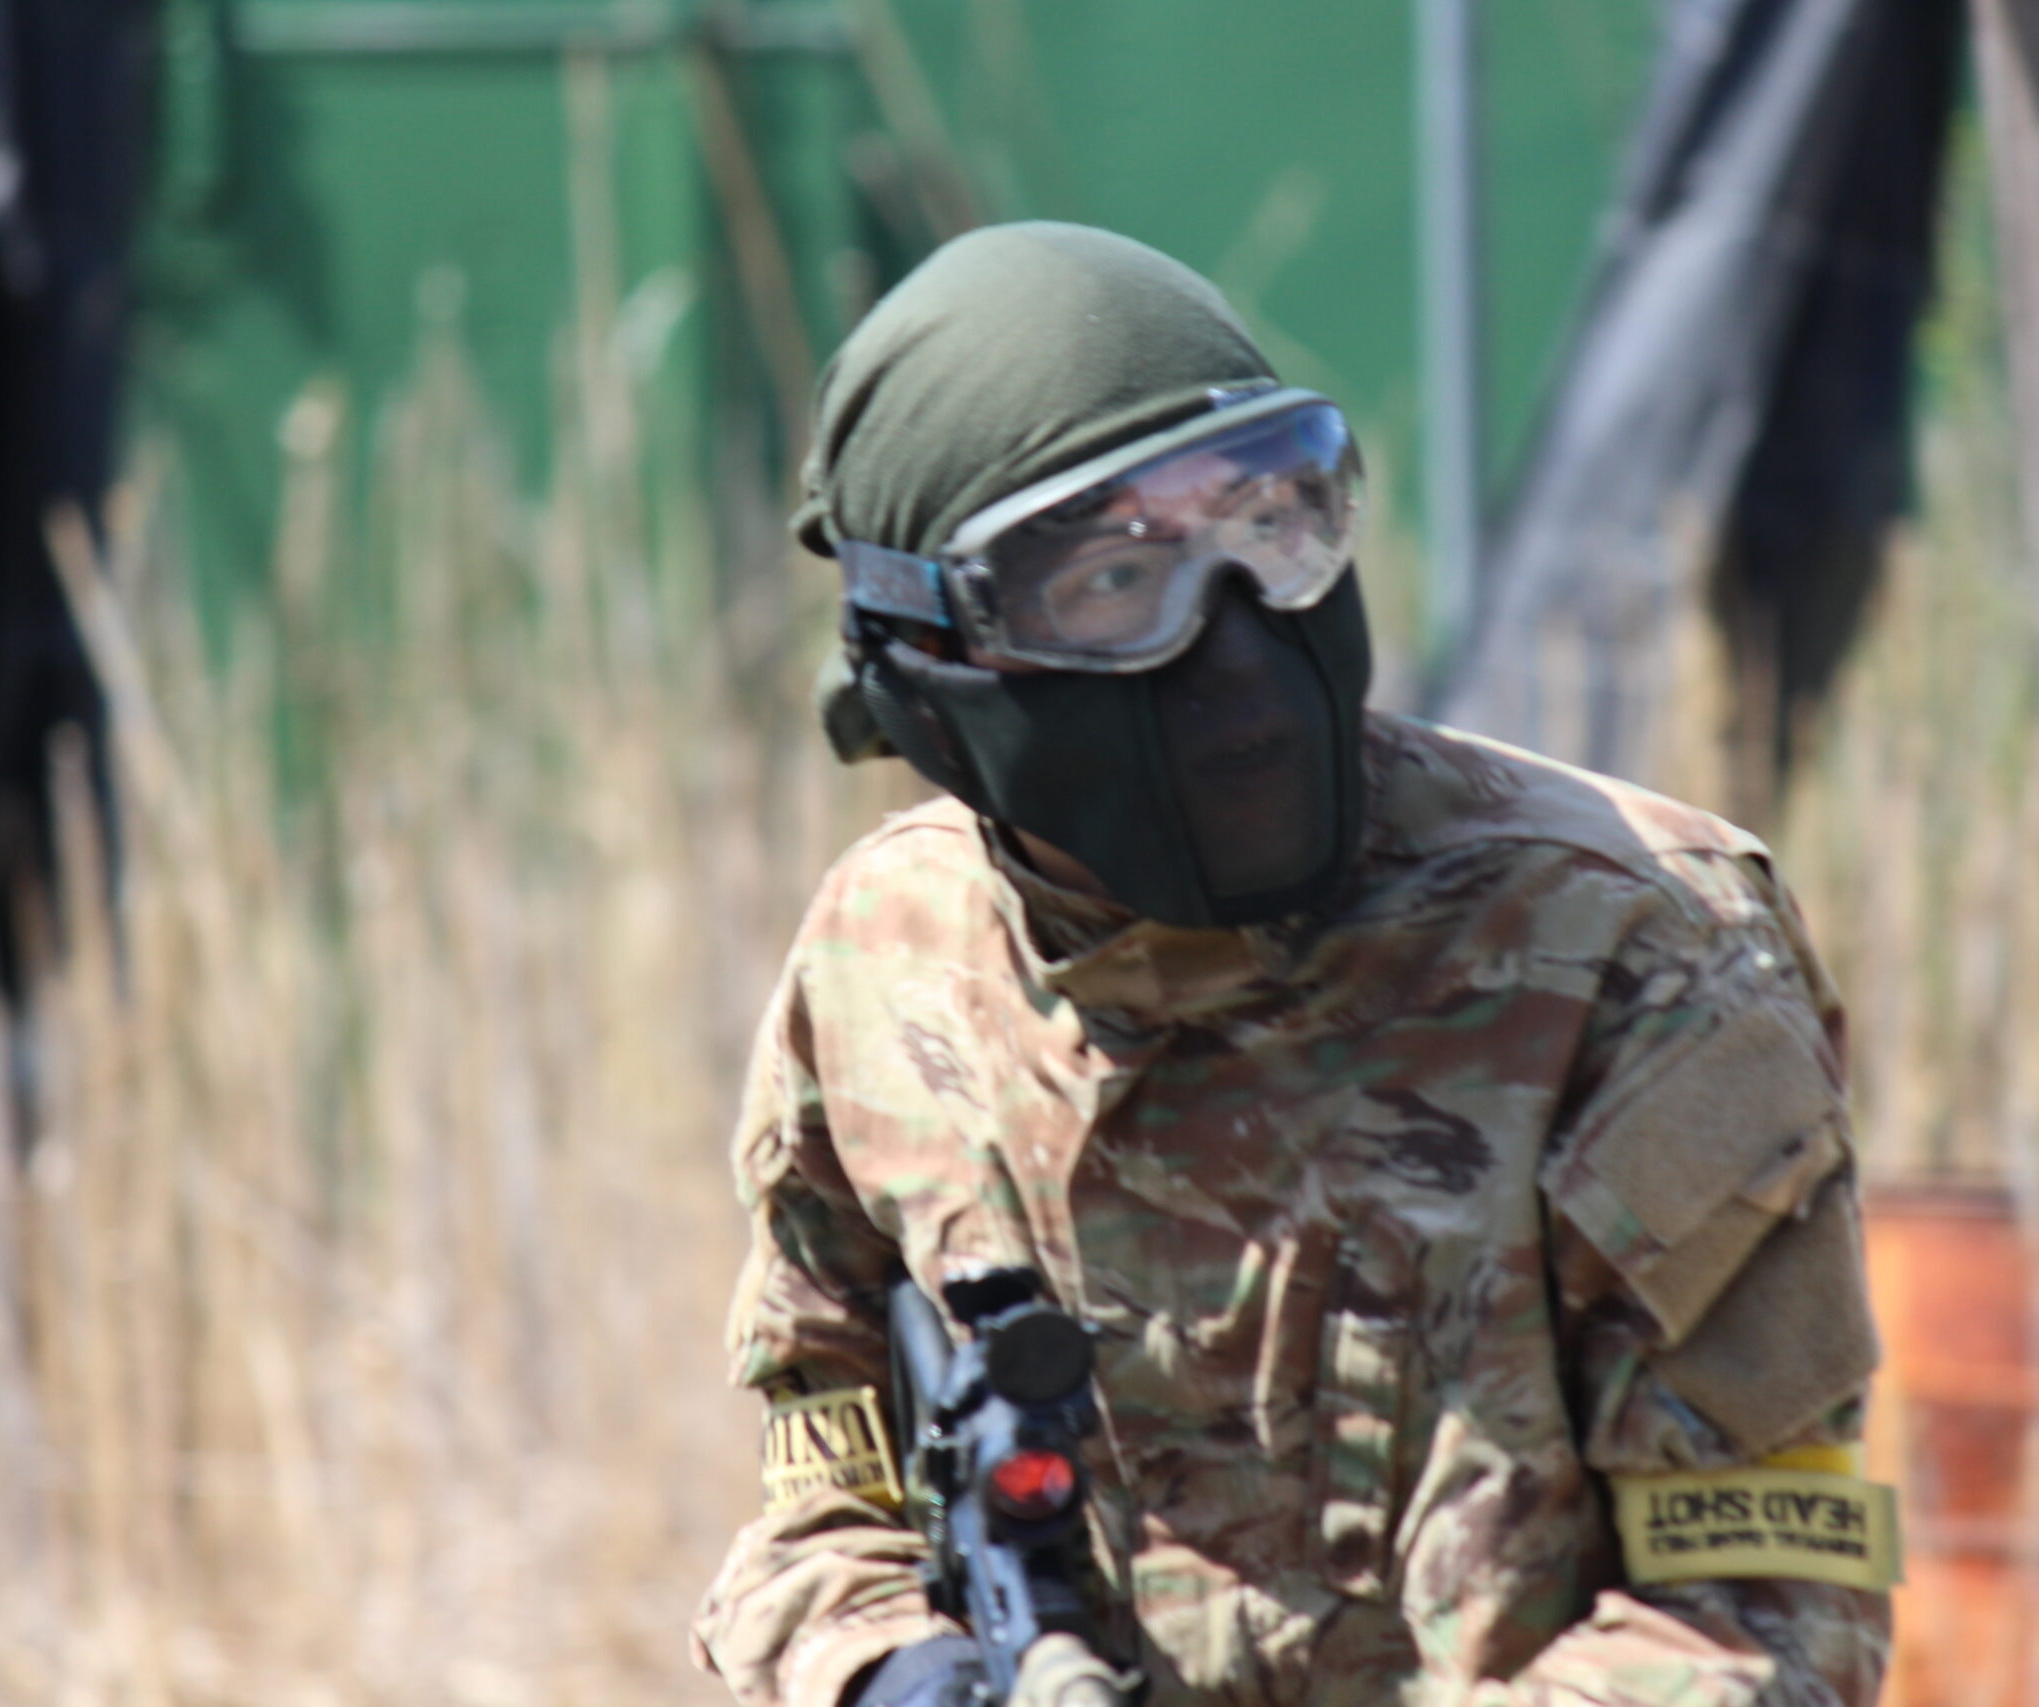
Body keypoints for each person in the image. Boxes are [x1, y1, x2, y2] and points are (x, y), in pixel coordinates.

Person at [691, 223, 1892, 1707]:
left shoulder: (1631, 944)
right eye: (1113, 579)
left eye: (1271, 521)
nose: (1235, 640)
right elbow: (826, 1489)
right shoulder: (884, 956)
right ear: (934, 672)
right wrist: (891, 1672)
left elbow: (1768, 1615)